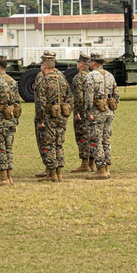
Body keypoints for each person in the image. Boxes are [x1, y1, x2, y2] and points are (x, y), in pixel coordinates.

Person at [33, 52, 70, 182]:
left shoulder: (43, 80)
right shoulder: (62, 78)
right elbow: (69, 97)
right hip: (61, 114)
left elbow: (40, 103)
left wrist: (40, 120)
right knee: (59, 144)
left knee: (48, 144)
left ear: (44, 66)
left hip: (48, 116)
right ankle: (59, 173)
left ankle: (52, 173)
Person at [83, 52, 120, 180]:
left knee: (95, 140)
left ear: (93, 63)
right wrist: (113, 110)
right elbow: (116, 95)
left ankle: (100, 169)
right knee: (106, 139)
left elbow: (88, 97)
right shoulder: (110, 76)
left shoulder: (90, 76)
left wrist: (87, 112)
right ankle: (107, 168)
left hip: (96, 112)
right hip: (108, 111)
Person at [0, 57, 21, 185]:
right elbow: (17, 103)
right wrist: (15, 120)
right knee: (8, 148)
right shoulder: (12, 81)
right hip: (10, 119)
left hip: (0, 120)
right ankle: (9, 176)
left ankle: (2, 177)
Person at [70, 53, 93, 173]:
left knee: (82, 137)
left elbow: (78, 97)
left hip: (83, 112)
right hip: (93, 112)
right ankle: (92, 163)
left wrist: (77, 112)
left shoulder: (79, 78)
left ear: (81, 65)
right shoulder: (93, 76)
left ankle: (85, 164)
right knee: (92, 136)